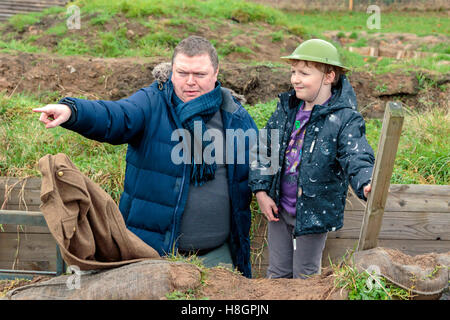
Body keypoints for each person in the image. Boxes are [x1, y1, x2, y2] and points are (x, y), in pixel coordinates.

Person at [33, 36, 257, 278]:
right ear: (171, 71)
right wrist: (73, 111)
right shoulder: (152, 102)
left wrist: (267, 191)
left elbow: (260, 163)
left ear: (215, 73)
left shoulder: (235, 116)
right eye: (182, 73)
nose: (190, 82)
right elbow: (116, 115)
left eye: (199, 74)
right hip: (152, 254)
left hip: (218, 257)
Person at [249, 39, 375, 279]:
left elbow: (356, 153)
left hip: (314, 211)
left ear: (329, 76)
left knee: (306, 275)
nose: (295, 79)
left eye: (304, 73)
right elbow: (263, 150)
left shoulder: (344, 119)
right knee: (277, 272)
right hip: (278, 207)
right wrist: (261, 192)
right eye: (293, 71)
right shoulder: (286, 110)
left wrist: (366, 181)